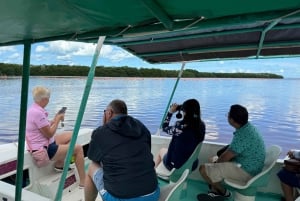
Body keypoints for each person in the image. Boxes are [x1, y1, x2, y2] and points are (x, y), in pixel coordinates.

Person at [84, 99, 160, 201]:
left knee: (92, 167)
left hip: (120, 197)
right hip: (153, 193)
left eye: (104, 112)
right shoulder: (142, 127)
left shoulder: (101, 132)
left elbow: (94, 158)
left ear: (109, 113)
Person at [198, 104, 265, 200]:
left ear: (232, 120)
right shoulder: (248, 128)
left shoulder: (242, 135)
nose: (227, 116)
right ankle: (215, 192)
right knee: (211, 160)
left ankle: (223, 192)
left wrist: (215, 164)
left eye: (228, 115)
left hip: (247, 171)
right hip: (251, 166)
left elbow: (224, 158)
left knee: (203, 169)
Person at [25, 86, 85, 187]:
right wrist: (58, 120)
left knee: (72, 135)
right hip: (44, 150)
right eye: (48, 98)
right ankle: (84, 182)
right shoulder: (37, 113)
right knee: (78, 149)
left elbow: (44, 126)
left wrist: (55, 119)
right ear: (44, 99)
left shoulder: (33, 109)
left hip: (45, 142)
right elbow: (49, 133)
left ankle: (59, 164)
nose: (49, 100)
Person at [154, 98, 206, 171]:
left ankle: (153, 173)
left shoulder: (180, 127)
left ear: (185, 112)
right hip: (192, 164)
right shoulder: (201, 126)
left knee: (161, 151)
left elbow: (164, 127)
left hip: (176, 166)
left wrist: (170, 112)